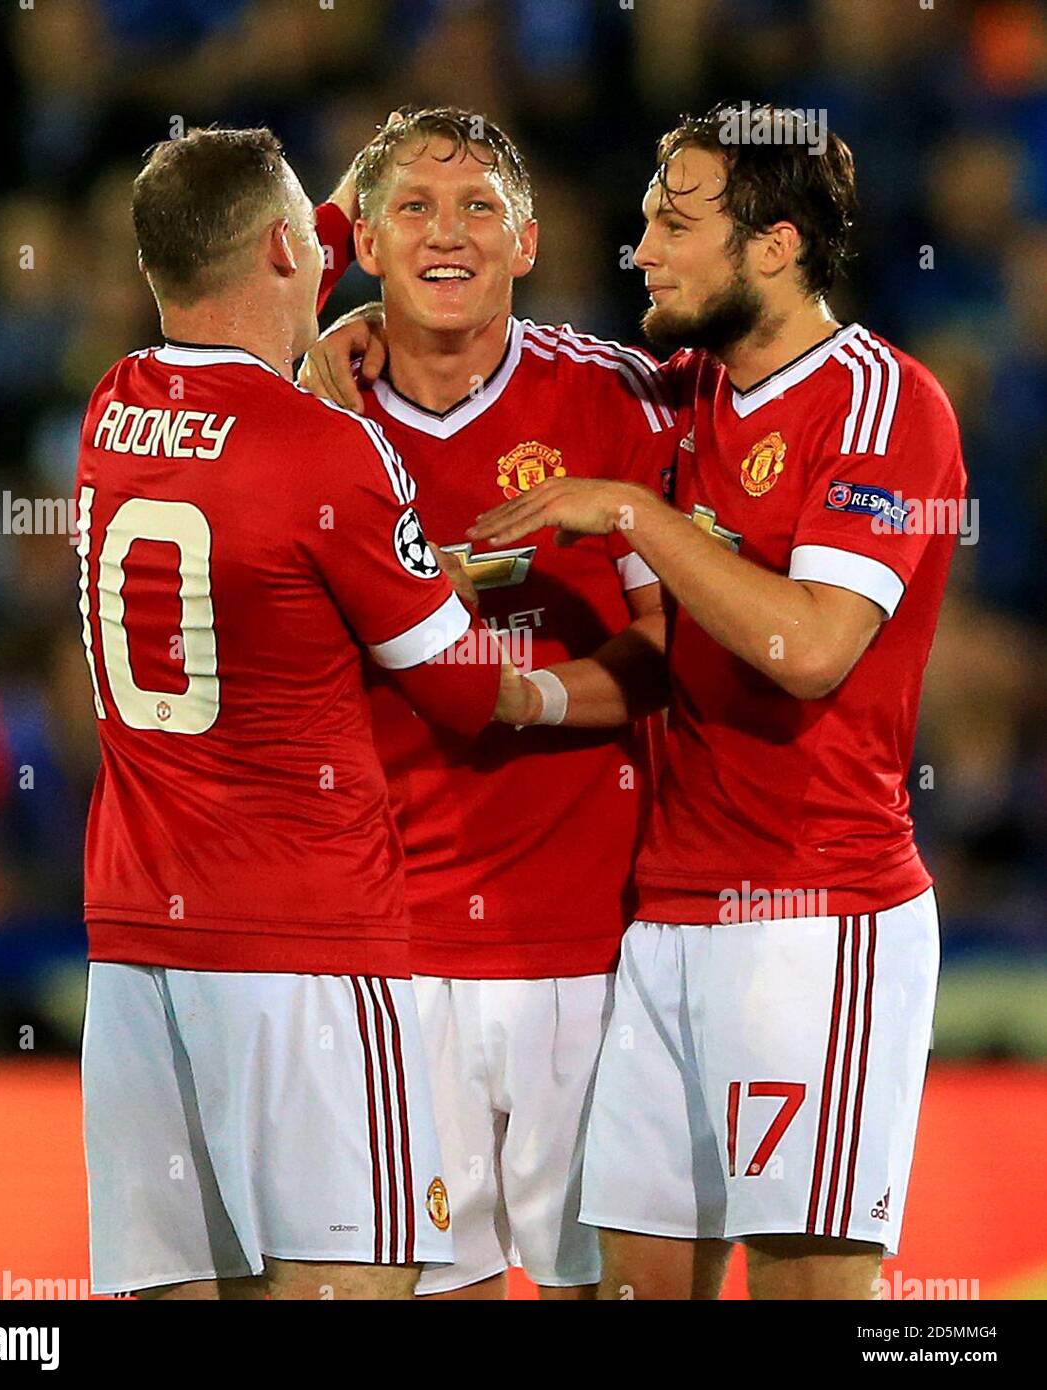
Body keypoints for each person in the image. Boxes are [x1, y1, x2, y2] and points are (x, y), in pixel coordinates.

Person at [469, 105, 966, 1299]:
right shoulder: (670, 394)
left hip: (817, 914)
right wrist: (356, 329)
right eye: (644, 216)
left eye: (674, 221)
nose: (641, 248)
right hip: (660, 921)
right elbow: (505, 359)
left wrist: (635, 515)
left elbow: (806, 648)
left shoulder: (883, 406)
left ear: (774, 247)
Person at [74, 126, 529, 1301]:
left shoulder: (109, 416)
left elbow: (237, 251)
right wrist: (459, 599)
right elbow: (464, 689)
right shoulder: (327, 452)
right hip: (303, 954)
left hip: (137, 951)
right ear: (287, 247)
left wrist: (354, 187)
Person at [299, 107, 669, 1299]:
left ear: (529, 242)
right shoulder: (308, 422)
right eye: (412, 207)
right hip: (387, 948)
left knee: (592, 1286)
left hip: (586, 941)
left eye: (477, 210)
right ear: (359, 240)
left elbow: (672, 649)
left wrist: (510, 693)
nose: (444, 234)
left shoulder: (621, 400)